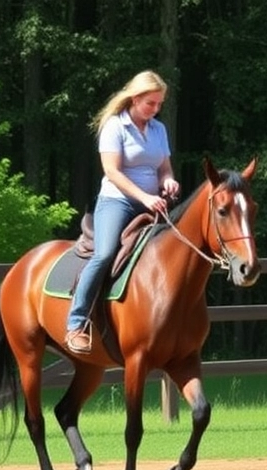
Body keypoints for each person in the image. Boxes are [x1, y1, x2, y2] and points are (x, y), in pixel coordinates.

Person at [65, 70, 180, 354]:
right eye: (150, 103)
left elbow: (164, 166)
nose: (155, 109)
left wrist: (168, 180)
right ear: (135, 98)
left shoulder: (158, 129)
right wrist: (145, 196)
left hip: (153, 202)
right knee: (104, 254)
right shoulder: (115, 126)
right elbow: (112, 172)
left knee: (177, 250)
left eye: (159, 104)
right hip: (118, 201)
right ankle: (76, 323)